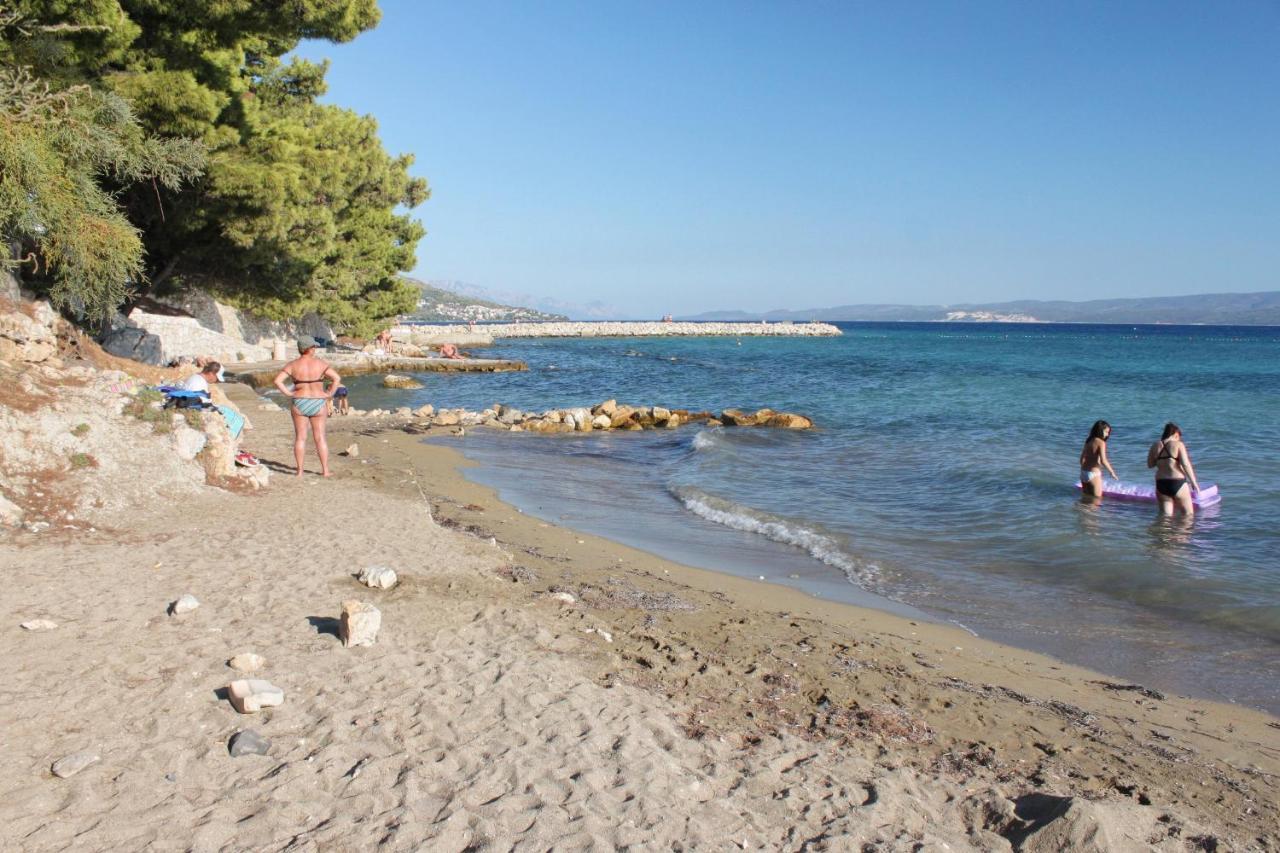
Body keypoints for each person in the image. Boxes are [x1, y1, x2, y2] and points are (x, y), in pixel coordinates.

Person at [272, 336, 341, 477]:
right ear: (309, 349)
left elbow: (278, 381)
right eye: (314, 347)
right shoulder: (320, 364)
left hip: (299, 401)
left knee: (300, 438)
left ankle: (300, 471)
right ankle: (325, 471)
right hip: (318, 401)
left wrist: (289, 393)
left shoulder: (292, 365)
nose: (315, 349)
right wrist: (329, 394)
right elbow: (336, 378)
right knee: (320, 437)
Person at [1147, 422, 1201, 516]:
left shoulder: (1155, 445)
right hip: (1177, 482)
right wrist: (1194, 483)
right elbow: (1186, 464)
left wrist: (1163, 460)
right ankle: (1181, 531)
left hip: (1161, 483)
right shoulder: (1178, 444)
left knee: (1165, 518)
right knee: (1188, 515)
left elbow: (1150, 465)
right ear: (1176, 434)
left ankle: (1164, 531)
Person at [1079, 420, 1118, 499]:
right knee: (1096, 501)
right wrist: (1112, 472)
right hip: (1094, 474)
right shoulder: (1101, 443)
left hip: (1083, 473)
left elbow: (1081, 459)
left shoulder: (1088, 440)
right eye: (1106, 432)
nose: (1107, 435)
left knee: (1085, 500)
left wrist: (1086, 468)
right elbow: (1104, 460)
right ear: (1100, 430)